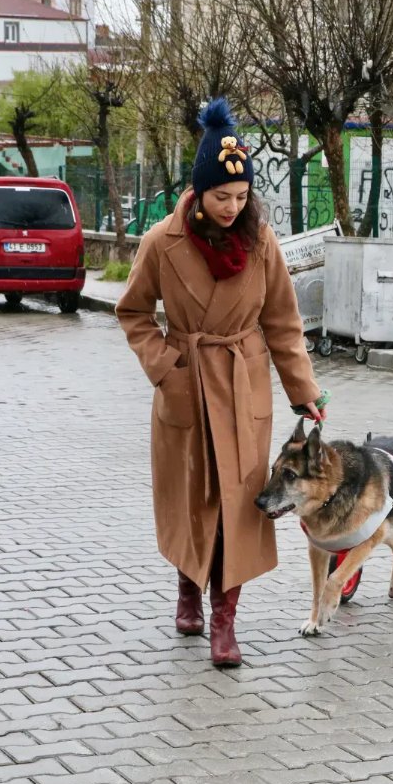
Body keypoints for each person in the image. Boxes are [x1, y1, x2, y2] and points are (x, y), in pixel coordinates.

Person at [116, 98, 326, 668]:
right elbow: (132, 312)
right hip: (186, 386)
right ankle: (189, 587)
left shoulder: (261, 243)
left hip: (241, 386)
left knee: (237, 505)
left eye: (241, 197)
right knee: (191, 500)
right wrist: (167, 367)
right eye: (221, 197)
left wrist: (303, 392)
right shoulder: (162, 242)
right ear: (199, 194)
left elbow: (282, 320)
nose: (233, 208)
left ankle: (225, 620)